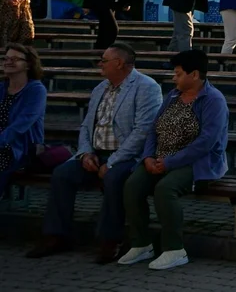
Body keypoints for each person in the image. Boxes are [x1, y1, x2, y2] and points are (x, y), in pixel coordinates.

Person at [28, 42, 162, 263]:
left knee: (113, 177)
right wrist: (85, 153)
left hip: (127, 156)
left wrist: (112, 162)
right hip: (96, 152)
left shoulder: (147, 87)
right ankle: (56, 236)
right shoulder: (100, 88)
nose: (100, 64)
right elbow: (86, 127)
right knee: (62, 174)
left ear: (119, 63)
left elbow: (142, 132)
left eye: (104, 60)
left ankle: (110, 239)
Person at [119, 49, 228, 271]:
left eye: (178, 74)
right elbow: (153, 130)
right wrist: (148, 157)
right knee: (132, 186)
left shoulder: (213, 100)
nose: (174, 78)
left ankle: (174, 249)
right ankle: (141, 244)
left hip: (196, 163)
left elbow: (206, 142)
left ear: (194, 74)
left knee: (165, 189)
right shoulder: (172, 96)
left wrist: (170, 163)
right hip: (160, 158)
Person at [0, 43, 46, 193]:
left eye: (14, 59)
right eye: (6, 58)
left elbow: (21, 125)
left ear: (28, 65)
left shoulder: (36, 90)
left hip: (22, 146)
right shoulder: (1, 88)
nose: (8, 62)